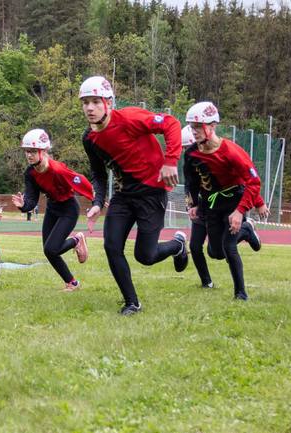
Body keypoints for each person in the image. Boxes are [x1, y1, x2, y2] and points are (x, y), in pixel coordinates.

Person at [80, 76, 187, 315]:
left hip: (151, 192)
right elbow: (97, 173)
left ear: (108, 102)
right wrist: (98, 202)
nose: (89, 108)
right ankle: (132, 302)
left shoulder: (129, 118)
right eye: (85, 102)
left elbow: (171, 123)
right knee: (111, 245)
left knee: (145, 256)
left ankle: (178, 245)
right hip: (123, 195)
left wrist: (171, 161)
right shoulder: (89, 139)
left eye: (96, 101)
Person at [184, 102, 269, 301]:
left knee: (229, 247)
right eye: (191, 126)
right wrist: (192, 205)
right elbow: (191, 182)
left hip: (233, 203)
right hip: (211, 206)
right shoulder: (190, 155)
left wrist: (241, 211)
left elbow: (253, 182)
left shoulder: (232, 152)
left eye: (198, 126)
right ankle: (248, 231)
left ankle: (240, 293)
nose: (193, 131)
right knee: (216, 252)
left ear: (212, 126)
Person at [11, 129, 93, 291]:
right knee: (49, 251)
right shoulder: (30, 173)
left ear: (43, 151)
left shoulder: (57, 169)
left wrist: (95, 197)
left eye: (33, 151)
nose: (29, 155)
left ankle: (76, 240)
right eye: (27, 151)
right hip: (52, 208)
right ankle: (72, 283)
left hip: (68, 209)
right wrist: (23, 206)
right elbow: (32, 199)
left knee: (51, 248)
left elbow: (79, 180)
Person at [181, 125, 214, 289]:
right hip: (200, 207)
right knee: (194, 246)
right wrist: (191, 206)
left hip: (217, 207)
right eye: (184, 148)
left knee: (218, 251)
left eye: (188, 147)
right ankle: (206, 282)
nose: (187, 152)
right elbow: (188, 185)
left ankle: (246, 230)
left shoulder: (214, 157)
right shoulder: (188, 162)